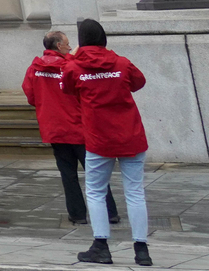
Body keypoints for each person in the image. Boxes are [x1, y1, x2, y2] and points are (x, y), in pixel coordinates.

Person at [62, 18, 150, 266]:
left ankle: (101, 245)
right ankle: (141, 249)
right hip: (131, 135)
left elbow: (67, 89)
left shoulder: (74, 68)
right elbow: (139, 82)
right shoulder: (121, 63)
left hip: (99, 139)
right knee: (135, 192)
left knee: (96, 192)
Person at [25, 32, 97, 226]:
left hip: (55, 129)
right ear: (58, 45)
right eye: (67, 44)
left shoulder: (34, 69)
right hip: (78, 127)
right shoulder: (70, 66)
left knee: (68, 175)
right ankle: (109, 212)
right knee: (96, 173)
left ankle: (77, 214)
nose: (69, 46)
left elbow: (31, 96)